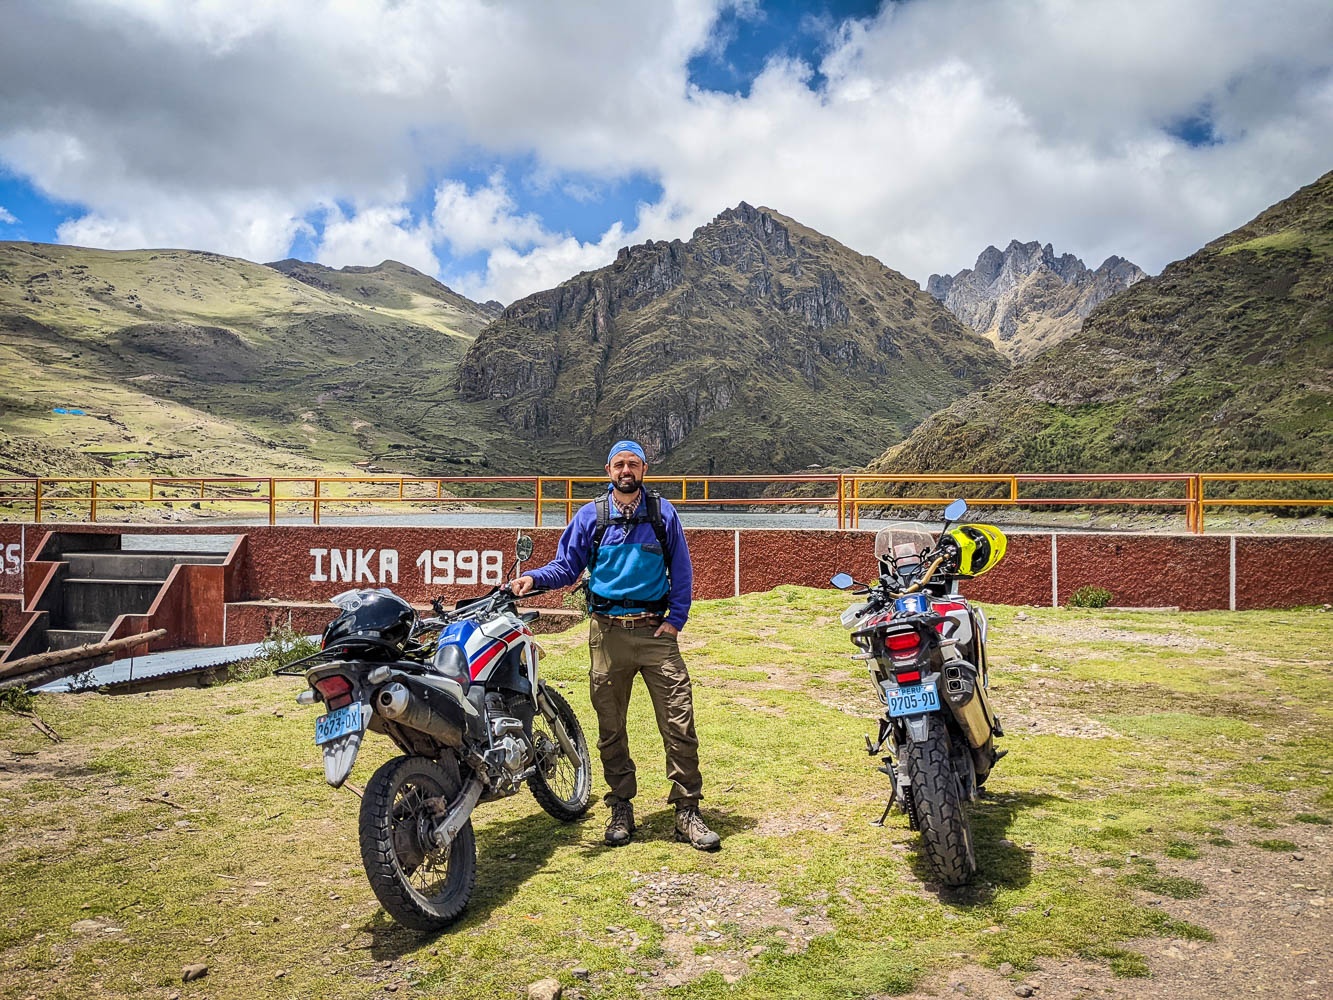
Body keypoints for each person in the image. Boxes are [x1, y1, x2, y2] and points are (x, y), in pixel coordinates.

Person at [511, 440, 720, 851]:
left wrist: (675, 621)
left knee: (679, 721)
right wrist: (533, 579)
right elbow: (566, 567)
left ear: (644, 469)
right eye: (620, 464)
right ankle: (621, 805)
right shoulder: (591, 516)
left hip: (655, 633)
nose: (627, 470)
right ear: (609, 470)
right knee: (611, 727)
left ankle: (687, 810)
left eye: (634, 464)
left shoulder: (663, 513)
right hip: (606, 635)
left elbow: (682, 570)